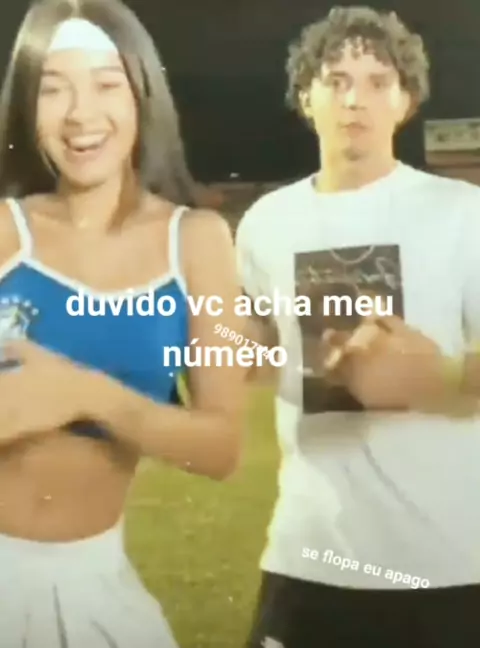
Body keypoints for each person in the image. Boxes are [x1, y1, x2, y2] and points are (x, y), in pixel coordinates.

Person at [0, 0, 246, 646]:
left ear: (141, 93)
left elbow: (221, 448)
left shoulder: (197, 241)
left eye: (105, 84)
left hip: (96, 586)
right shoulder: (5, 231)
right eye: (54, 89)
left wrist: (82, 394)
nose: (80, 114)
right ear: (27, 104)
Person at [236, 6, 480, 648]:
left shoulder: (462, 213)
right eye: (336, 80)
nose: (355, 99)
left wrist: (439, 377)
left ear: (405, 101)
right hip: (310, 555)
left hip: (444, 564)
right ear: (305, 97)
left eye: (377, 82)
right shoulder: (266, 222)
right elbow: (256, 352)